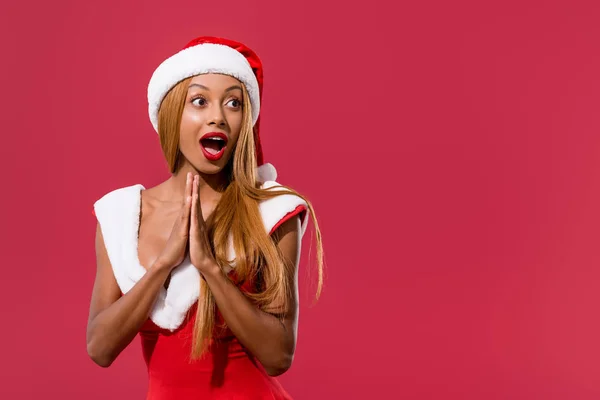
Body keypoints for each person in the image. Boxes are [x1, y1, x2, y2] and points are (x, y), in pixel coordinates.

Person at [85, 36, 324, 399]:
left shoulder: (272, 211)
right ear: (171, 114)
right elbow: (100, 348)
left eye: (233, 103)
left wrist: (210, 267)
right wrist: (164, 263)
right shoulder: (122, 216)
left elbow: (279, 355)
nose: (218, 116)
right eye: (199, 101)